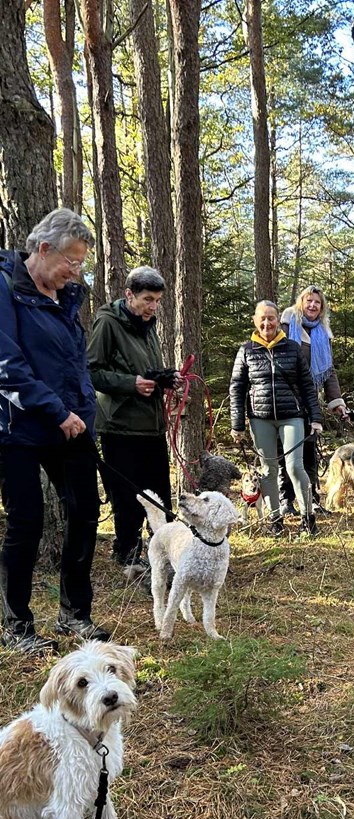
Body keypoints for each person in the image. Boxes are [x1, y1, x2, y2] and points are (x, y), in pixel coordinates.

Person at [0, 208, 111, 653]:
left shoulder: (68, 298)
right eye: (72, 260)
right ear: (43, 250)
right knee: (25, 523)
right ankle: (17, 624)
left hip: (72, 426)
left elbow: (75, 365)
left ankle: (74, 613)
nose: (76, 270)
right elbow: (6, 364)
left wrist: (84, 417)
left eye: (82, 262)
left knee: (85, 512)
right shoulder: (6, 288)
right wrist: (55, 411)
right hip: (19, 428)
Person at [87, 266, 181, 572]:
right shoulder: (107, 322)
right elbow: (92, 371)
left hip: (152, 426)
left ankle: (164, 555)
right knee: (127, 498)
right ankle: (127, 554)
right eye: (147, 299)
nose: (153, 306)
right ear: (129, 294)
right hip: (120, 427)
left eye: (157, 301)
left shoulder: (148, 325)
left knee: (159, 495)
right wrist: (131, 384)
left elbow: (146, 370)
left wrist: (168, 379)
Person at [229, 300, 323, 535]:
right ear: (255, 321)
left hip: (292, 416)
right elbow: (237, 387)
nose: (266, 323)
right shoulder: (246, 350)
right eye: (262, 318)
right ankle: (275, 519)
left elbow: (307, 386)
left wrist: (315, 418)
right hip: (260, 418)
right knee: (268, 470)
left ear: (278, 319)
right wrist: (237, 425)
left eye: (271, 318)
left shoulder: (292, 348)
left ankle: (307, 517)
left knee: (294, 466)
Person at [278, 285, 348, 516]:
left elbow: (328, 370)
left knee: (309, 450)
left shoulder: (323, 333)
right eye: (308, 301)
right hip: (286, 397)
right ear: (301, 302)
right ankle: (285, 501)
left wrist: (336, 401)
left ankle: (311, 500)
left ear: (322, 307)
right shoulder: (287, 326)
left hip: (310, 400)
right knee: (285, 451)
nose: (312, 305)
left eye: (317, 302)